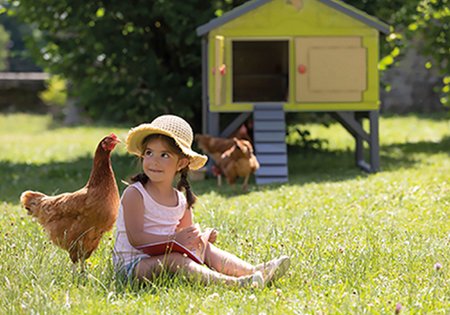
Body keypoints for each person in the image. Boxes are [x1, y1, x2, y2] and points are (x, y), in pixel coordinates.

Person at [113, 115, 290, 287]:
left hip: (163, 257)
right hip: (133, 266)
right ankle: (234, 284)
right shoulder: (135, 194)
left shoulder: (181, 201)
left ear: (181, 163)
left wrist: (201, 239)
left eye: (164, 155)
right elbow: (137, 239)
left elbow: (187, 243)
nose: (154, 161)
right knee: (174, 260)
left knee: (206, 250)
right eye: (149, 153)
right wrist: (174, 238)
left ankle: (254, 271)